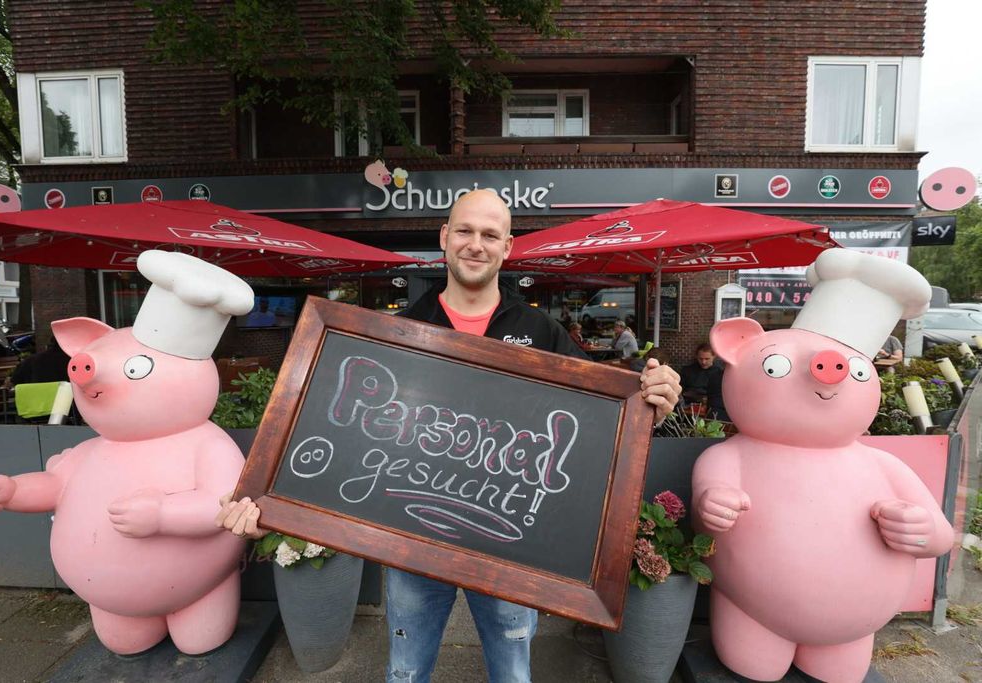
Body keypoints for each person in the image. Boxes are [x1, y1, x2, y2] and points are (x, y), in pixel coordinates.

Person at [216, 190, 681, 683]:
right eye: (464, 231)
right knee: (407, 671)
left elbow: (598, 424)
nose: (475, 244)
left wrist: (650, 404)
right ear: (444, 238)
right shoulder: (396, 332)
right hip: (412, 544)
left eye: (489, 235)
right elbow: (337, 434)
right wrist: (271, 502)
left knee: (513, 674)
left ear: (507, 247)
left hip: (510, 549)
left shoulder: (540, 331)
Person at [679, 343, 728, 420]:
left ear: (714, 356)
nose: (703, 362)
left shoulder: (719, 374)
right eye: (700, 359)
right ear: (696, 357)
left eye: (707, 359)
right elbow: (680, 389)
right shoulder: (687, 371)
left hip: (711, 410)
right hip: (688, 408)